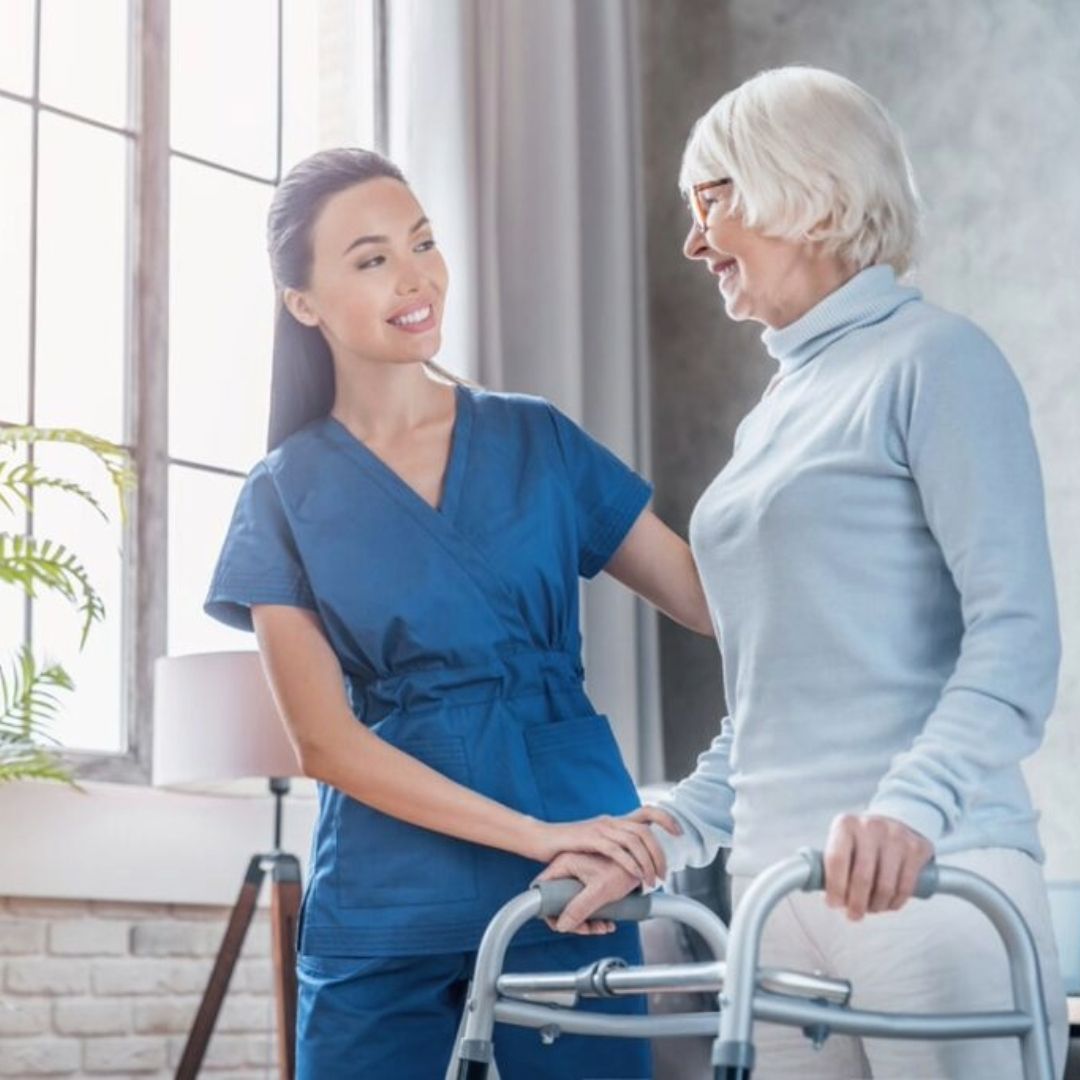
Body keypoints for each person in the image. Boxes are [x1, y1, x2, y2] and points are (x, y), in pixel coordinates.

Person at [539, 66, 1069, 1079]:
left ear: (808, 189)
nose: (694, 242)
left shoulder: (937, 360)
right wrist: (666, 828)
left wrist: (909, 811)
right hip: (774, 902)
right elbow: (771, 706)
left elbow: (1017, 637)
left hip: (931, 884)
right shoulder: (774, 415)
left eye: (712, 201)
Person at [203, 147, 711, 1080]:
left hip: (572, 890)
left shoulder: (538, 439)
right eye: (371, 258)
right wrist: (533, 834)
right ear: (303, 302)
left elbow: (708, 602)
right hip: (390, 899)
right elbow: (325, 746)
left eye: (424, 243)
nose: (416, 276)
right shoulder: (282, 494)